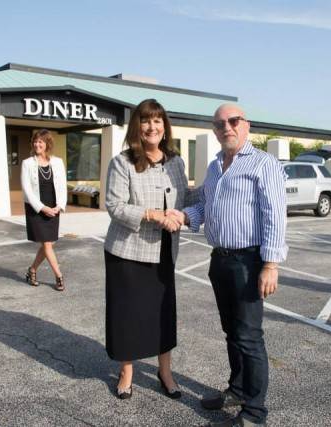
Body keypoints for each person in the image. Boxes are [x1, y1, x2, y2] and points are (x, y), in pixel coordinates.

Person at [170, 104, 287, 427]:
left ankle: (255, 412)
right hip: (220, 260)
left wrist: (271, 264)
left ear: (246, 125)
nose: (227, 128)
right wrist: (183, 217)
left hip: (249, 261)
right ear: (215, 130)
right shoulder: (215, 166)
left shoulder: (264, 164)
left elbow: (275, 216)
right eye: (220, 124)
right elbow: (206, 207)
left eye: (233, 121)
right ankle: (237, 390)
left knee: (249, 337)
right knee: (231, 333)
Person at [103, 99, 192, 400]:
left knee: (163, 313)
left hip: (164, 250)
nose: (152, 127)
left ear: (165, 126)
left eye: (157, 120)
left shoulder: (177, 161)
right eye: (145, 120)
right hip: (127, 251)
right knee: (128, 314)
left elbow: (185, 196)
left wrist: (219, 187)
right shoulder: (122, 162)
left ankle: (164, 371)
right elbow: (114, 205)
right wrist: (153, 214)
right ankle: (126, 371)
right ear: (136, 127)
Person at [21, 129, 67, 291]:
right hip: (36, 208)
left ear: (47, 143)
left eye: (40, 141)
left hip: (53, 207)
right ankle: (59, 276)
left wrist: (60, 205)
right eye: (35, 141)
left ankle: (32, 270)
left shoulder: (57, 162)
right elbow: (27, 189)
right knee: (47, 244)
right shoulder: (27, 163)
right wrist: (42, 208)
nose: (37, 144)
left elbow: (62, 186)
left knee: (47, 244)